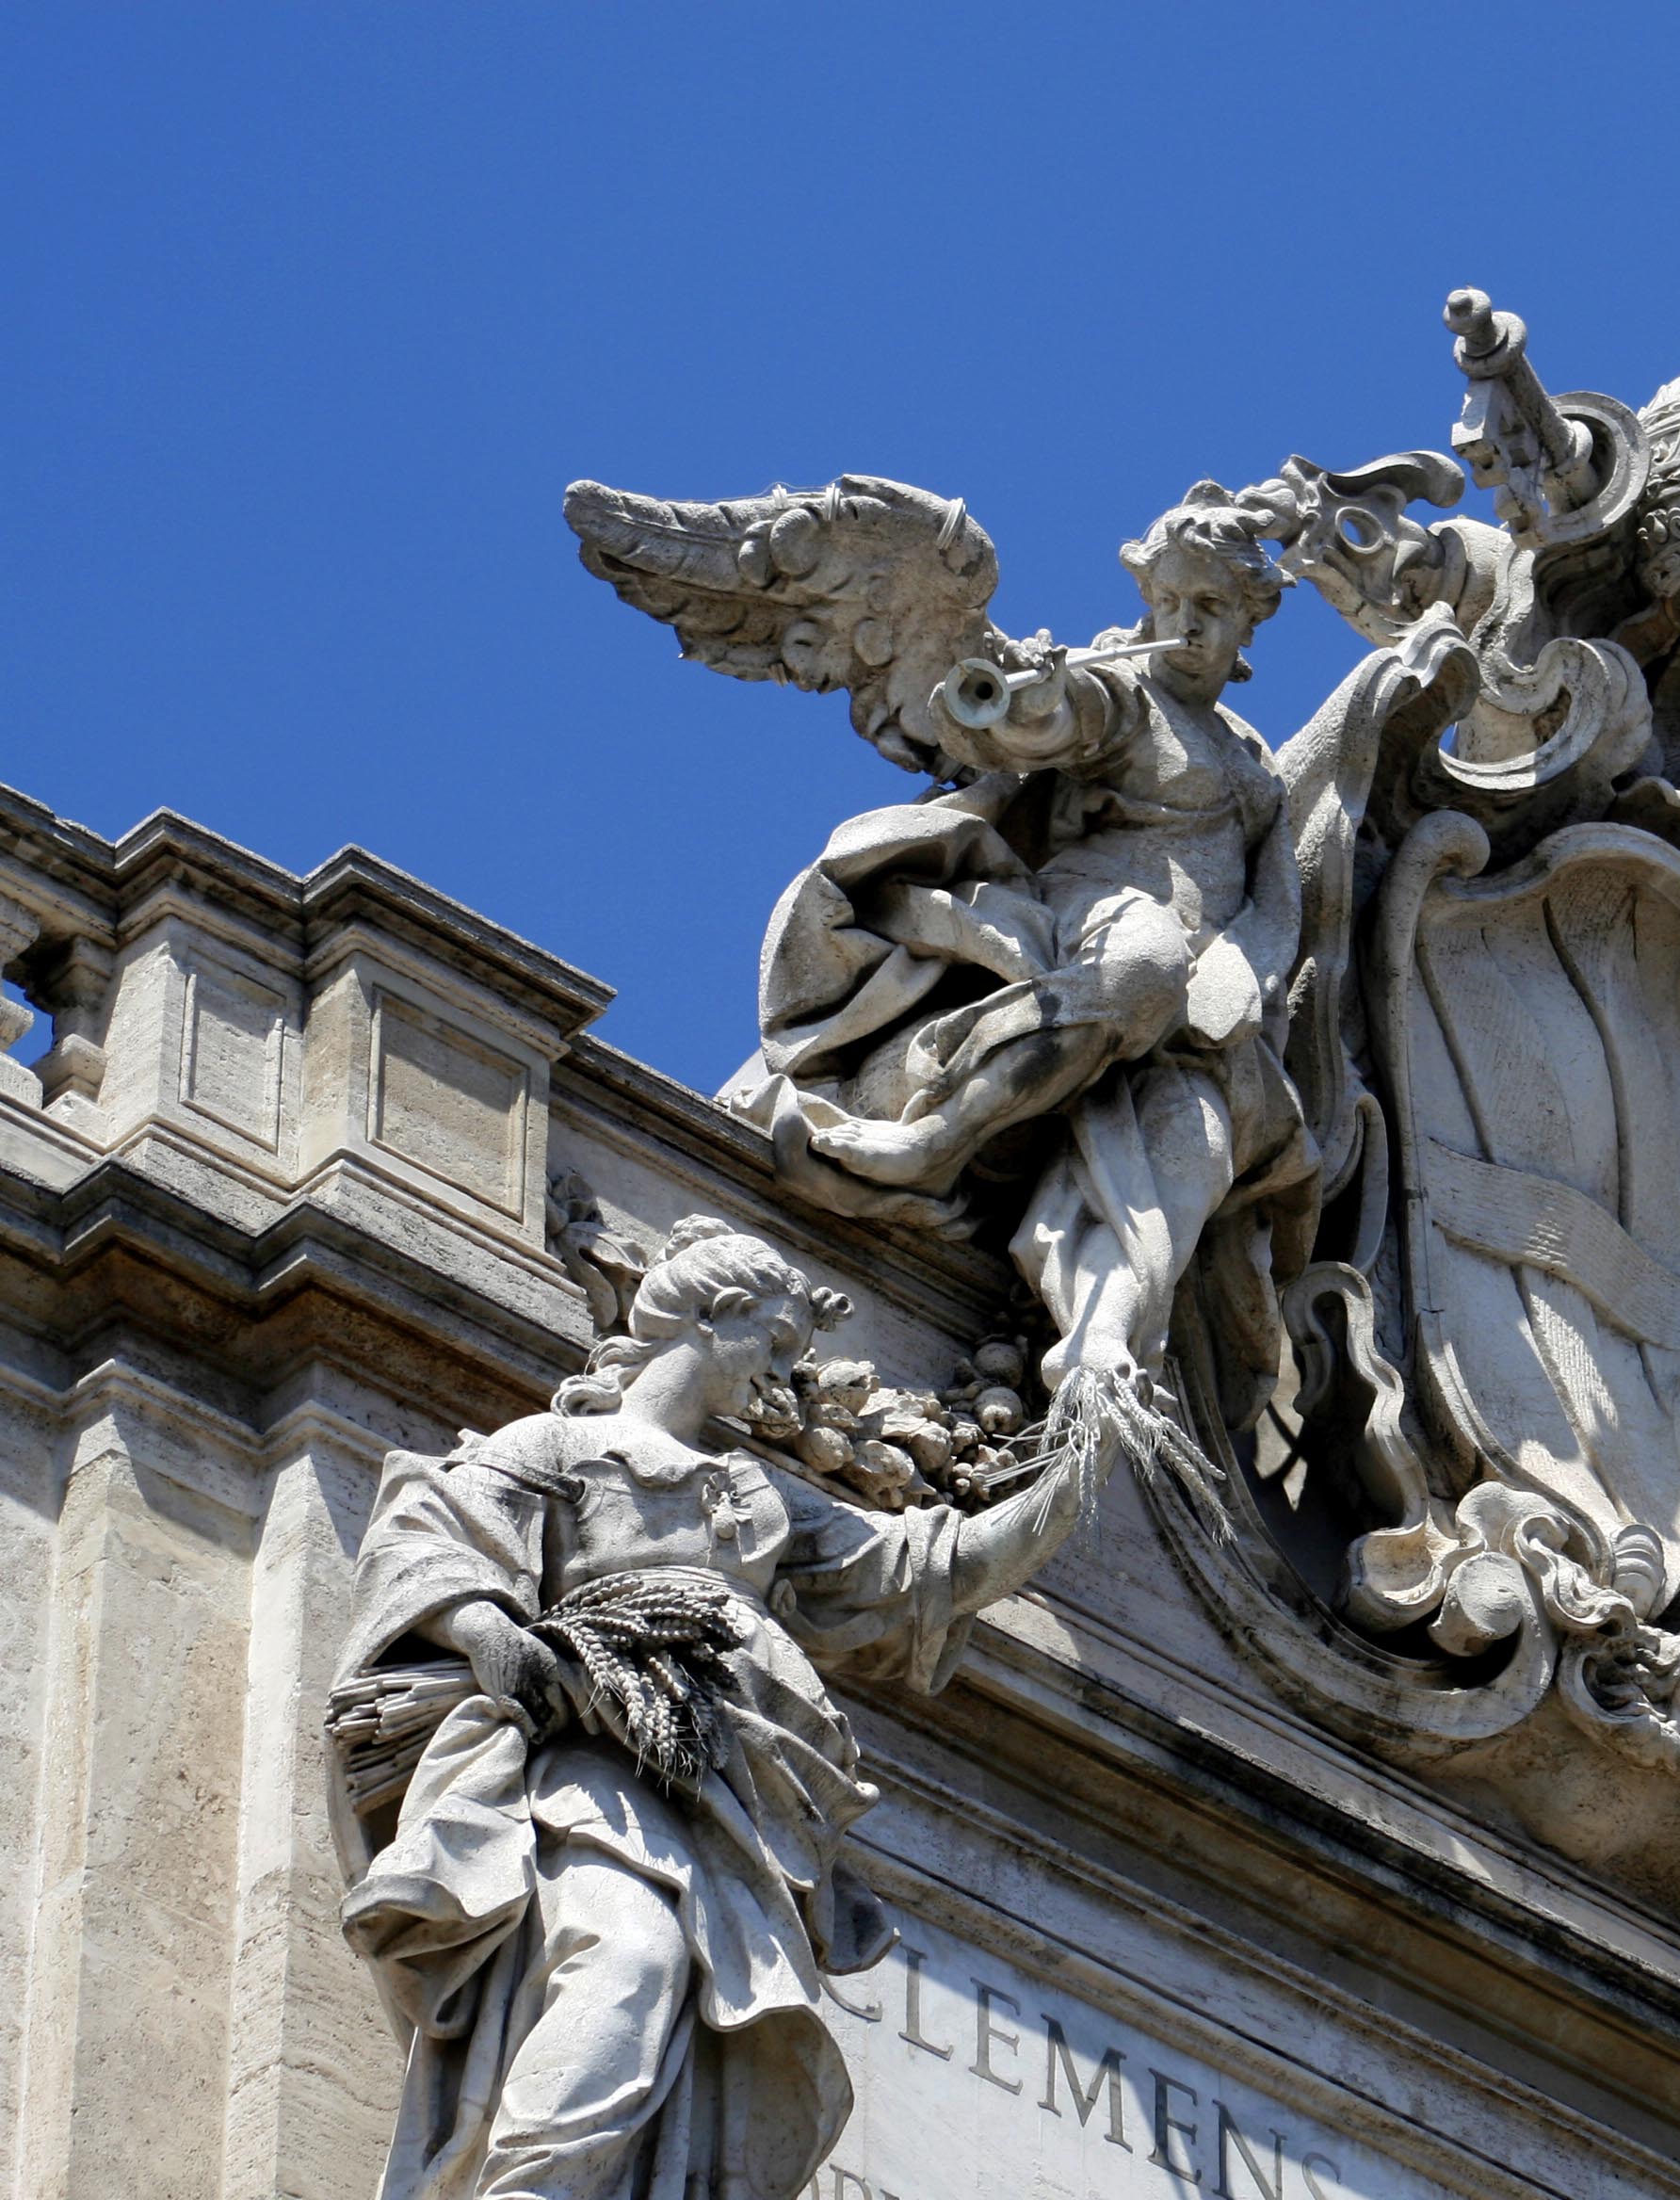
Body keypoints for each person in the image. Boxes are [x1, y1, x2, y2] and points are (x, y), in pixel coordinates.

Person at [332, 1218, 1095, 2200]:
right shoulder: (562, 1446)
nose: (782, 1378)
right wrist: (488, 1629)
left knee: (682, 2002)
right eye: (774, 1344)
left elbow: (918, 1569)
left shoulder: (758, 1495)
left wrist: (1073, 1477)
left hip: (722, 1808)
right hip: (587, 1774)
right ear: (709, 1314)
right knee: (633, 1958)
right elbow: (426, 1533)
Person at [726, 483, 1319, 1476]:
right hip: (1099, 923)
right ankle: (931, 1139)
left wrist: (1249, 966)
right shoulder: (1124, 693)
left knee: (1224, 1135)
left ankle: (1108, 1334)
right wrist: (1028, 693)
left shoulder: (1248, 754)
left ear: (1247, 627)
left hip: (1199, 998)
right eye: (1169, 604)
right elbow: (1048, 721)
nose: (1180, 629)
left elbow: (1275, 892)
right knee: (1142, 964)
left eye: (1207, 613)